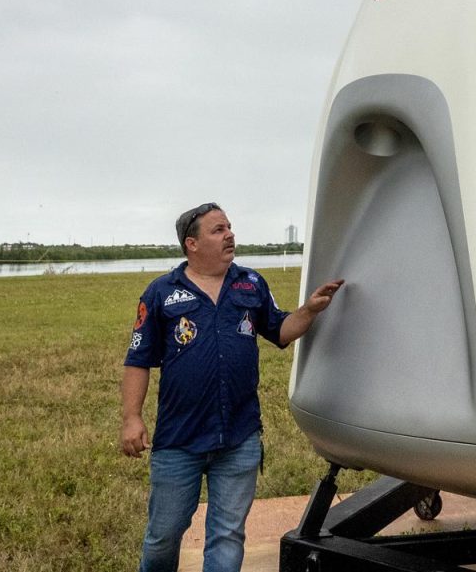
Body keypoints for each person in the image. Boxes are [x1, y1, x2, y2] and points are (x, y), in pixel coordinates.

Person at [120, 202, 343, 572]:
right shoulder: (161, 293)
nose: (230, 235)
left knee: (227, 536)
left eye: (229, 228)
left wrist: (309, 311)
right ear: (192, 244)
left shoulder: (251, 283)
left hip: (239, 437)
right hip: (180, 440)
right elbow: (138, 359)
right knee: (163, 536)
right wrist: (131, 418)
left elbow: (280, 329)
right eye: (218, 229)